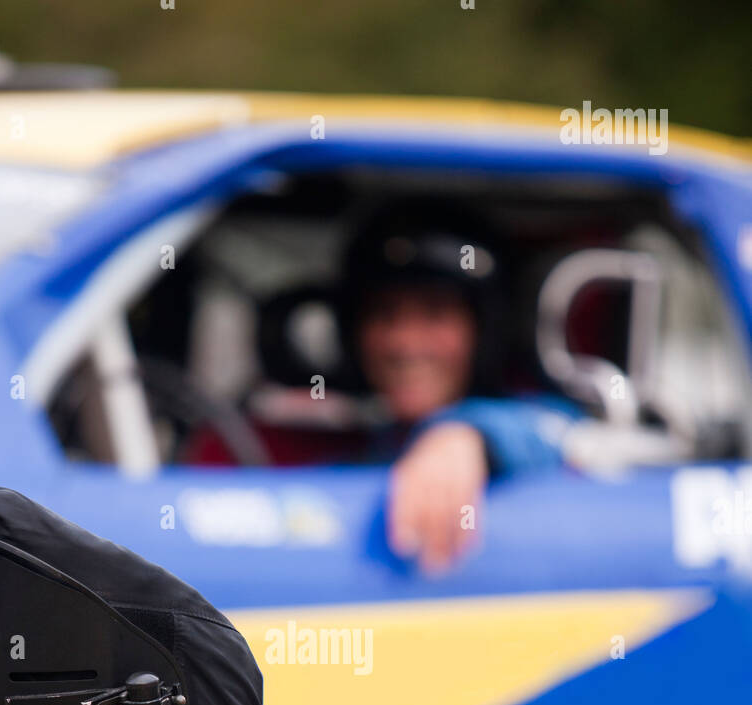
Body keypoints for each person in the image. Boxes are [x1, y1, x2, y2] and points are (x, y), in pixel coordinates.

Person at [191, 202, 583, 572]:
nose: (404, 343)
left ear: (485, 332)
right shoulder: (355, 448)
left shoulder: (536, 432)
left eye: (435, 313)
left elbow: (564, 433)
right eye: (384, 314)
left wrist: (465, 436)